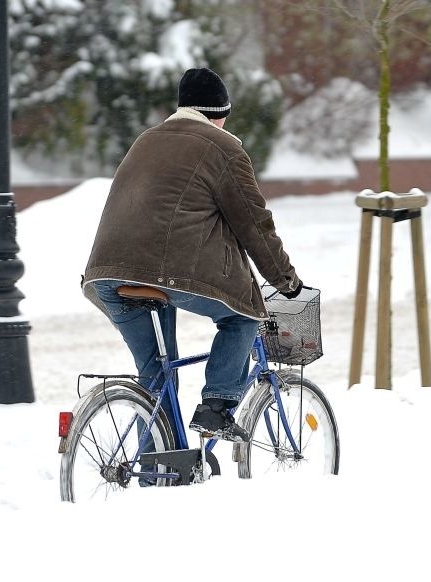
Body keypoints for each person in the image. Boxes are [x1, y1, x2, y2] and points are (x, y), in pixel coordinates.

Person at [81, 67, 303, 444]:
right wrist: (286, 281)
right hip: (162, 273)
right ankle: (216, 406)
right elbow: (255, 225)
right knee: (243, 314)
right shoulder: (224, 148)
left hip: (106, 275)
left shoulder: (146, 139)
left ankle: (160, 471)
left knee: (154, 379)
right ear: (221, 114)